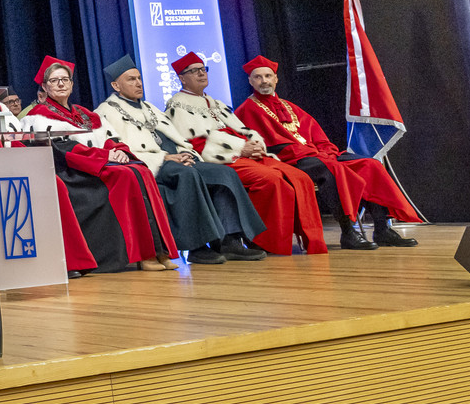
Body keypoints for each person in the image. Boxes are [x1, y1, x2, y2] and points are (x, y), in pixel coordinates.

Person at [0, 41, 98, 277]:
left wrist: (27, 160)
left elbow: (12, 136)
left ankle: (67, 261)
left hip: (6, 161)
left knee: (53, 184)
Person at [94, 56, 267, 265]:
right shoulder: (105, 112)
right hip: (151, 164)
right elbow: (117, 150)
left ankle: (228, 241)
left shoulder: (149, 107)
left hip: (177, 158)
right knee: (187, 174)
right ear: (116, 85)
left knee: (224, 173)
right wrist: (164, 157)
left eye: (139, 78)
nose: (138, 83)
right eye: (131, 80)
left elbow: (177, 138)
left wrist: (186, 153)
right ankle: (197, 246)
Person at [234, 55, 421, 248]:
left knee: (370, 164)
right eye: (258, 77)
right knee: (331, 169)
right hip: (287, 160)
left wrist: (326, 151)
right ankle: (348, 232)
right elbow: (257, 146)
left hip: (314, 156)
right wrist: (310, 153)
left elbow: (317, 135)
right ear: (250, 81)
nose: (264, 81)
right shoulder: (246, 110)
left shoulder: (289, 106)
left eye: (268, 76)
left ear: (276, 79)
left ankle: (382, 230)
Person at [22, 57, 179, 272]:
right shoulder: (38, 117)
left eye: (65, 79)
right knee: (126, 175)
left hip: (97, 165)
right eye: (54, 80)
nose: (60, 84)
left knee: (141, 170)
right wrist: (105, 157)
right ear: (45, 86)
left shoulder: (86, 114)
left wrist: (119, 151)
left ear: (72, 84)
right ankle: (144, 255)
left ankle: (159, 250)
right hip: (71, 173)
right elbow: (63, 150)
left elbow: (111, 139)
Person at [164, 53, 326, 256]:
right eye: (194, 71)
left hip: (244, 155)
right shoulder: (177, 105)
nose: (201, 74)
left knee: (300, 177)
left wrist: (255, 145)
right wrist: (240, 148)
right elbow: (196, 144)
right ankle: (262, 240)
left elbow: (242, 130)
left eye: (203, 69)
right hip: (221, 160)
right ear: (182, 78)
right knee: (271, 179)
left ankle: (310, 240)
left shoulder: (215, 103)